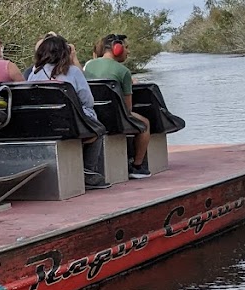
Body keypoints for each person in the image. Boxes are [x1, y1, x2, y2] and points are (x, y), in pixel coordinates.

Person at [26, 33, 107, 187]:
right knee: (99, 130)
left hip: (43, 124)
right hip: (70, 125)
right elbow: (88, 101)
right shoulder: (73, 72)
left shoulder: (34, 74)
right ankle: (88, 171)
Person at [84, 34, 151, 178]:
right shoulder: (124, 72)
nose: (128, 52)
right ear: (117, 49)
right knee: (145, 124)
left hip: (93, 116)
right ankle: (137, 167)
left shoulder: (88, 65)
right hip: (116, 118)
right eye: (126, 48)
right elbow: (128, 109)